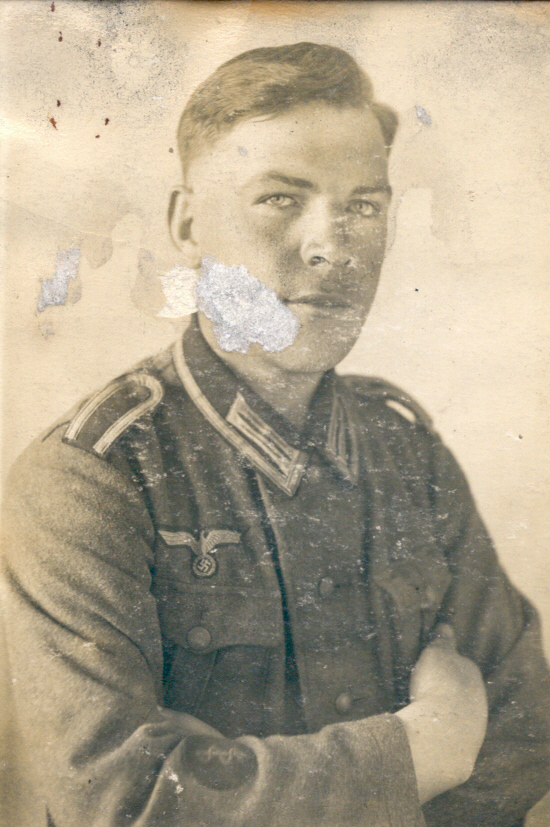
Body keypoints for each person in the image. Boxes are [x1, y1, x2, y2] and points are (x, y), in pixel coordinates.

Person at [2, 42, 549, 827]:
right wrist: (422, 751)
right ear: (187, 223)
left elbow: (523, 737)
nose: (334, 246)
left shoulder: (408, 451)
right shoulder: (89, 476)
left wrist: (231, 785)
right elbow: (121, 800)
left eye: (365, 206)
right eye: (281, 198)